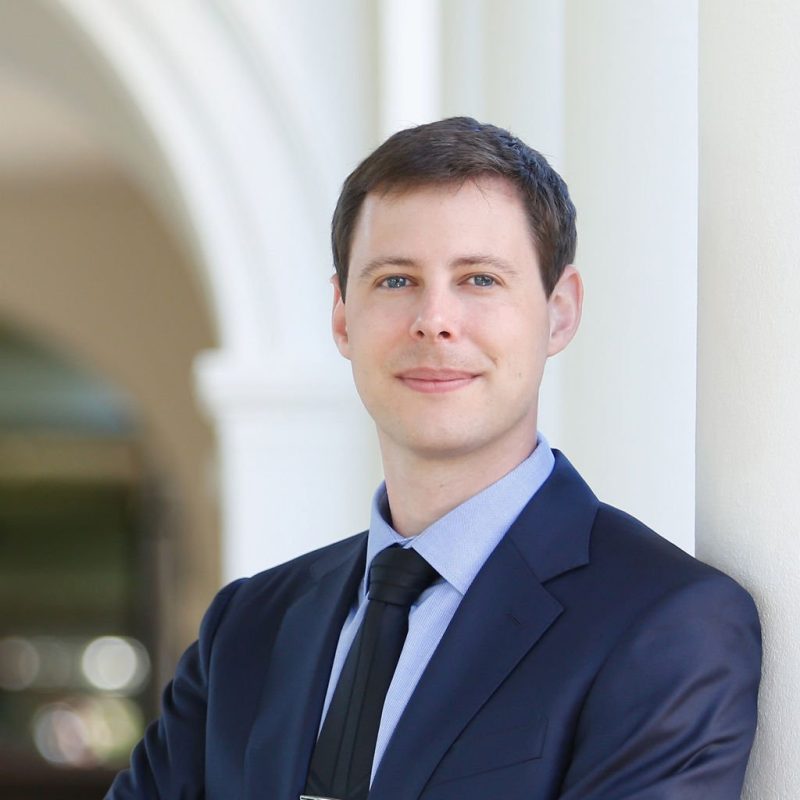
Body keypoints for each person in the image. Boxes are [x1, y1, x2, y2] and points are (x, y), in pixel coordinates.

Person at [107, 117, 761, 800]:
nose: (435, 320)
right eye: (395, 281)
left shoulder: (666, 624)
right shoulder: (246, 629)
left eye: (479, 279)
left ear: (560, 312)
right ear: (341, 317)